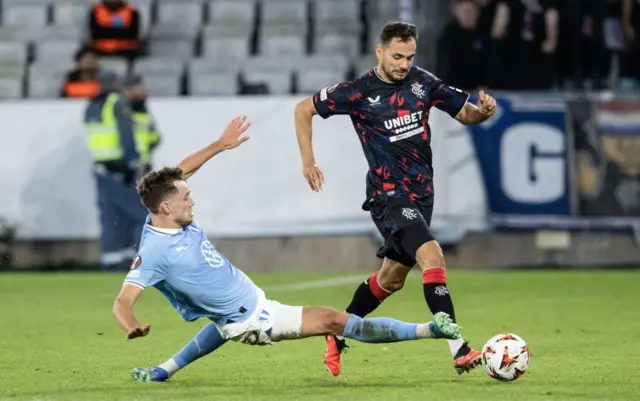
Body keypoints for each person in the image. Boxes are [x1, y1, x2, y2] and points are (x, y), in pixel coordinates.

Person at [112, 116, 462, 383]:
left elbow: (182, 171)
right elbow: (123, 301)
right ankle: (431, 329)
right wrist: (131, 325)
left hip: (244, 306)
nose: (192, 200)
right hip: (254, 320)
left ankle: (163, 371)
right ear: (167, 209)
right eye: (185, 198)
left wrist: (219, 144)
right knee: (334, 321)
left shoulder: (162, 212)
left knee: (222, 323)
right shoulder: (155, 251)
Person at [293, 22, 497, 377]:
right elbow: (302, 109)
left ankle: (336, 332)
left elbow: (464, 113)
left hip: (422, 195)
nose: (404, 63)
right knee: (432, 254)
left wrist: (483, 113)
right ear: (380, 52)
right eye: (398, 56)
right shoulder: (357, 92)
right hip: (388, 195)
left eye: (410, 56)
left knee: (391, 279)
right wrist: (308, 161)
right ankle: (459, 348)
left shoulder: (423, 82)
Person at [84, 70, 147, 270]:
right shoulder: (118, 104)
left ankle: (111, 263)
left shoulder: (92, 106)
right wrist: (133, 162)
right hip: (121, 171)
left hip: (101, 171)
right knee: (140, 216)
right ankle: (138, 262)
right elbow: (126, 135)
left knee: (111, 220)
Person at [122, 75, 161, 174]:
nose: (143, 90)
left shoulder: (143, 111)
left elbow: (155, 138)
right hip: (129, 166)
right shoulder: (123, 112)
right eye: (139, 87)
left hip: (143, 165)